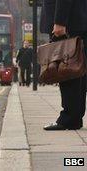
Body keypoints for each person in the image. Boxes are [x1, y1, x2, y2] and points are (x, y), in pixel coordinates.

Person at [41, 0, 87, 130]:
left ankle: (69, 118)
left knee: (67, 68)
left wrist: (60, 21)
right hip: (76, 19)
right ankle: (75, 117)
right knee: (77, 68)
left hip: (68, 21)